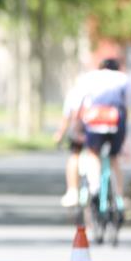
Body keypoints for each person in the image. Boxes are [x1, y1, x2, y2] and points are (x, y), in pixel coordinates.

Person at [77, 57, 131, 213]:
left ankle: (95, 188)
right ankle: (120, 198)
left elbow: (83, 105)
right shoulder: (123, 79)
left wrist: (79, 128)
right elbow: (125, 107)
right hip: (116, 119)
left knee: (93, 154)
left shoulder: (90, 77)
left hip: (95, 119)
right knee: (114, 158)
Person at [53, 79, 87, 208]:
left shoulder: (75, 92)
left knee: (75, 155)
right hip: (104, 130)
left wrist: (59, 134)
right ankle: (118, 196)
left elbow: (67, 117)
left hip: (80, 130)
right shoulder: (108, 88)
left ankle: (72, 191)